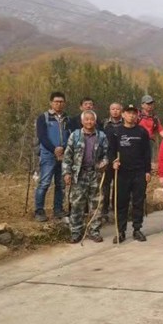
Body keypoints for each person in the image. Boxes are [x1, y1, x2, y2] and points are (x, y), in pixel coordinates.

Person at [62, 110, 109, 243]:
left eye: (91, 119)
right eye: (86, 119)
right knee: (77, 204)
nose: (89, 122)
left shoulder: (101, 136)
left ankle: (94, 231)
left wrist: (104, 163)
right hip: (79, 175)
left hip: (95, 175)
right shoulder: (75, 135)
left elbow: (106, 154)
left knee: (96, 204)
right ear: (82, 121)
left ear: (95, 121)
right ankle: (76, 232)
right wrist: (66, 173)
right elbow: (67, 156)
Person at [109, 104, 152, 243]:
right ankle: (120, 231)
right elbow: (111, 151)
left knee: (138, 202)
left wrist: (147, 171)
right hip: (122, 173)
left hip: (139, 172)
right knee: (121, 202)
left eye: (134, 113)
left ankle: (137, 229)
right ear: (123, 115)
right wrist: (113, 162)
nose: (131, 116)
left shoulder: (142, 132)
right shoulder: (116, 132)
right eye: (128, 113)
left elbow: (147, 153)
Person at [34, 91, 70, 222]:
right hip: (48, 155)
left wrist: (64, 148)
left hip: (63, 155)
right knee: (44, 183)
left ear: (64, 103)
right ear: (51, 103)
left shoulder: (67, 119)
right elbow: (42, 136)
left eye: (61, 102)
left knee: (60, 184)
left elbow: (70, 136)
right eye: (56, 101)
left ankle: (58, 210)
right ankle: (39, 210)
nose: (59, 104)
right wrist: (54, 149)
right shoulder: (43, 117)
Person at [102, 102, 124, 220]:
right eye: (113, 109)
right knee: (106, 184)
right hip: (107, 157)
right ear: (109, 110)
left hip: (121, 158)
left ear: (121, 111)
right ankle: (104, 208)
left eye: (117, 109)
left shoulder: (125, 124)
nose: (115, 111)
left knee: (118, 184)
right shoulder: (104, 124)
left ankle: (116, 207)